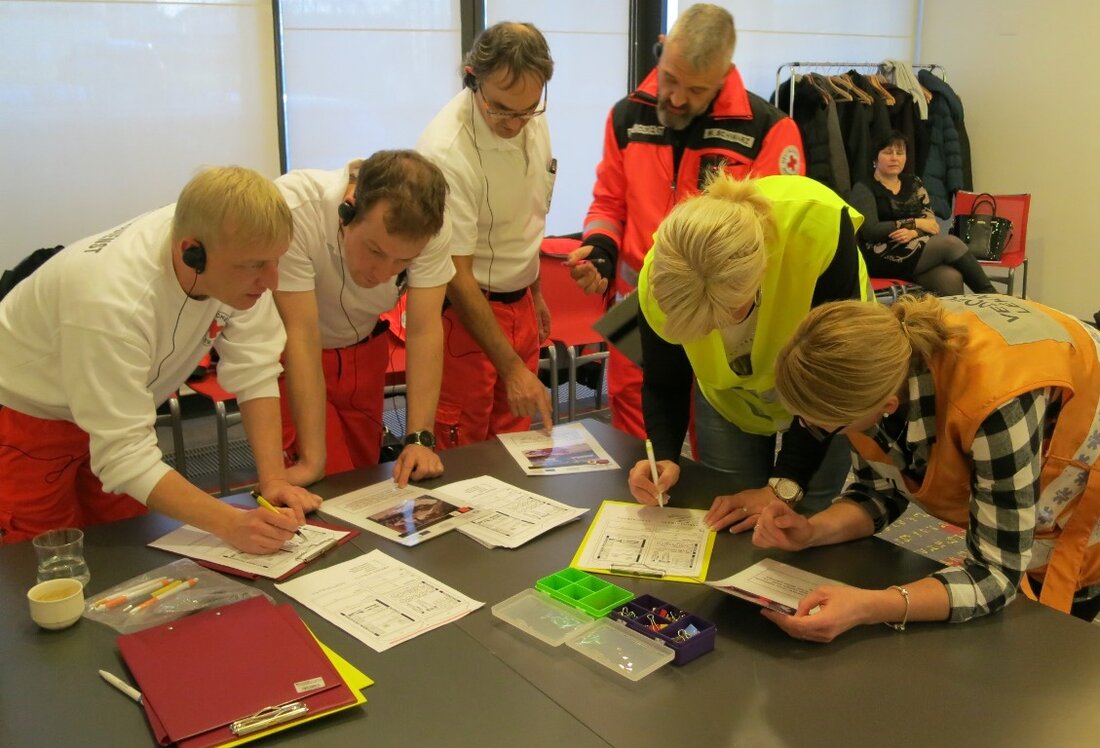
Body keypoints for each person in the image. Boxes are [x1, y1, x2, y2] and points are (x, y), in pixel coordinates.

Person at [0, 167, 321, 553]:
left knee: (123, 546)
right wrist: (231, 523)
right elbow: (124, 456)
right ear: (192, 252)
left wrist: (274, 482)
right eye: (254, 266)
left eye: (276, 261)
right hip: (28, 415)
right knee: (48, 560)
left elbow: (257, 371)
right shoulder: (112, 301)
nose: (272, 281)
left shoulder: (233, 246)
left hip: (119, 404)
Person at [755, 294, 1100, 642]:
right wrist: (812, 531)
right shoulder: (873, 363)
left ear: (887, 406)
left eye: (822, 427)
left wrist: (872, 606)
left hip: (1083, 464)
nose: (813, 431)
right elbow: (879, 492)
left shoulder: (993, 403)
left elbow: (997, 575)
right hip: (1022, 411)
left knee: (1053, 632)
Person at [572, 3, 805, 439]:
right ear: (661, 51)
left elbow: (777, 239)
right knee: (636, 437)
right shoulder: (626, 116)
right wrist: (601, 251)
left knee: (715, 433)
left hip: (717, 309)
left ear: (723, 76)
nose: (676, 98)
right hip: (634, 306)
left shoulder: (769, 131)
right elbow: (607, 203)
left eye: (695, 90)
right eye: (671, 79)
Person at [626, 172, 869, 527]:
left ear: (760, 275)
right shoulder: (663, 275)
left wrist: (784, 486)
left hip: (828, 387)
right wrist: (663, 455)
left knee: (806, 514)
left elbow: (832, 382)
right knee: (731, 506)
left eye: (725, 316)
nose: (719, 332)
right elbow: (665, 381)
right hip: (731, 399)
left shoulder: (817, 228)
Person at [416, 21, 556, 449]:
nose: (515, 123)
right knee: (463, 450)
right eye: (501, 109)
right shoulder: (446, 150)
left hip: (520, 307)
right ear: (471, 76)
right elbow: (456, 274)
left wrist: (534, 294)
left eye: (527, 109)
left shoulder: (531, 117)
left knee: (513, 448)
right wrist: (512, 368)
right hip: (467, 312)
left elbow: (526, 216)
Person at [274, 150, 452, 486]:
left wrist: (419, 438)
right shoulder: (294, 211)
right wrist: (313, 461)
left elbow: (424, 329)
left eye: (402, 262)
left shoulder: (432, 226)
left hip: (365, 354)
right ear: (349, 209)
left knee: (363, 479)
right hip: (296, 355)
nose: (384, 273)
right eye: (375, 251)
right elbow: (301, 334)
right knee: (325, 482)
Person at [847, 130, 995, 296]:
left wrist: (913, 232)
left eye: (900, 153)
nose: (894, 157)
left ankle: (953, 321)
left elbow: (931, 225)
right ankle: (993, 298)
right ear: (875, 158)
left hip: (915, 250)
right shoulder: (863, 188)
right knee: (950, 244)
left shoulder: (914, 183)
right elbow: (871, 231)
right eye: (888, 152)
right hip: (881, 256)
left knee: (951, 278)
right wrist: (916, 223)